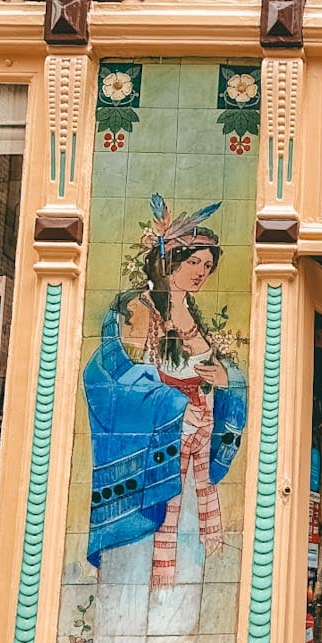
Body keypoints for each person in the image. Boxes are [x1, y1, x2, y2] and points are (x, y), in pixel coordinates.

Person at [83, 195, 246, 591]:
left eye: (207, 266)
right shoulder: (137, 308)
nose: (201, 272)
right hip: (163, 441)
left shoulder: (193, 312)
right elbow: (113, 375)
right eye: (194, 262)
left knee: (188, 543)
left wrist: (227, 379)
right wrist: (172, 405)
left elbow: (216, 372)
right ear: (169, 259)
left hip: (197, 441)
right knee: (148, 548)